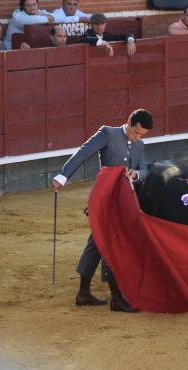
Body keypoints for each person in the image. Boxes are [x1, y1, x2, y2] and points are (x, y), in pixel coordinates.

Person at [52, 109, 154, 313]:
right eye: (136, 132)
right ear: (129, 123)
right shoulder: (108, 133)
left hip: (123, 201)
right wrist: (63, 176)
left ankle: (83, 293)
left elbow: (144, 169)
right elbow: (83, 153)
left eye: (141, 135)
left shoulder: (140, 145)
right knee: (111, 244)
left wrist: (136, 174)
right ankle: (116, 299)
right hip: (106, 200)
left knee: (97, 244)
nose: (137, 137)